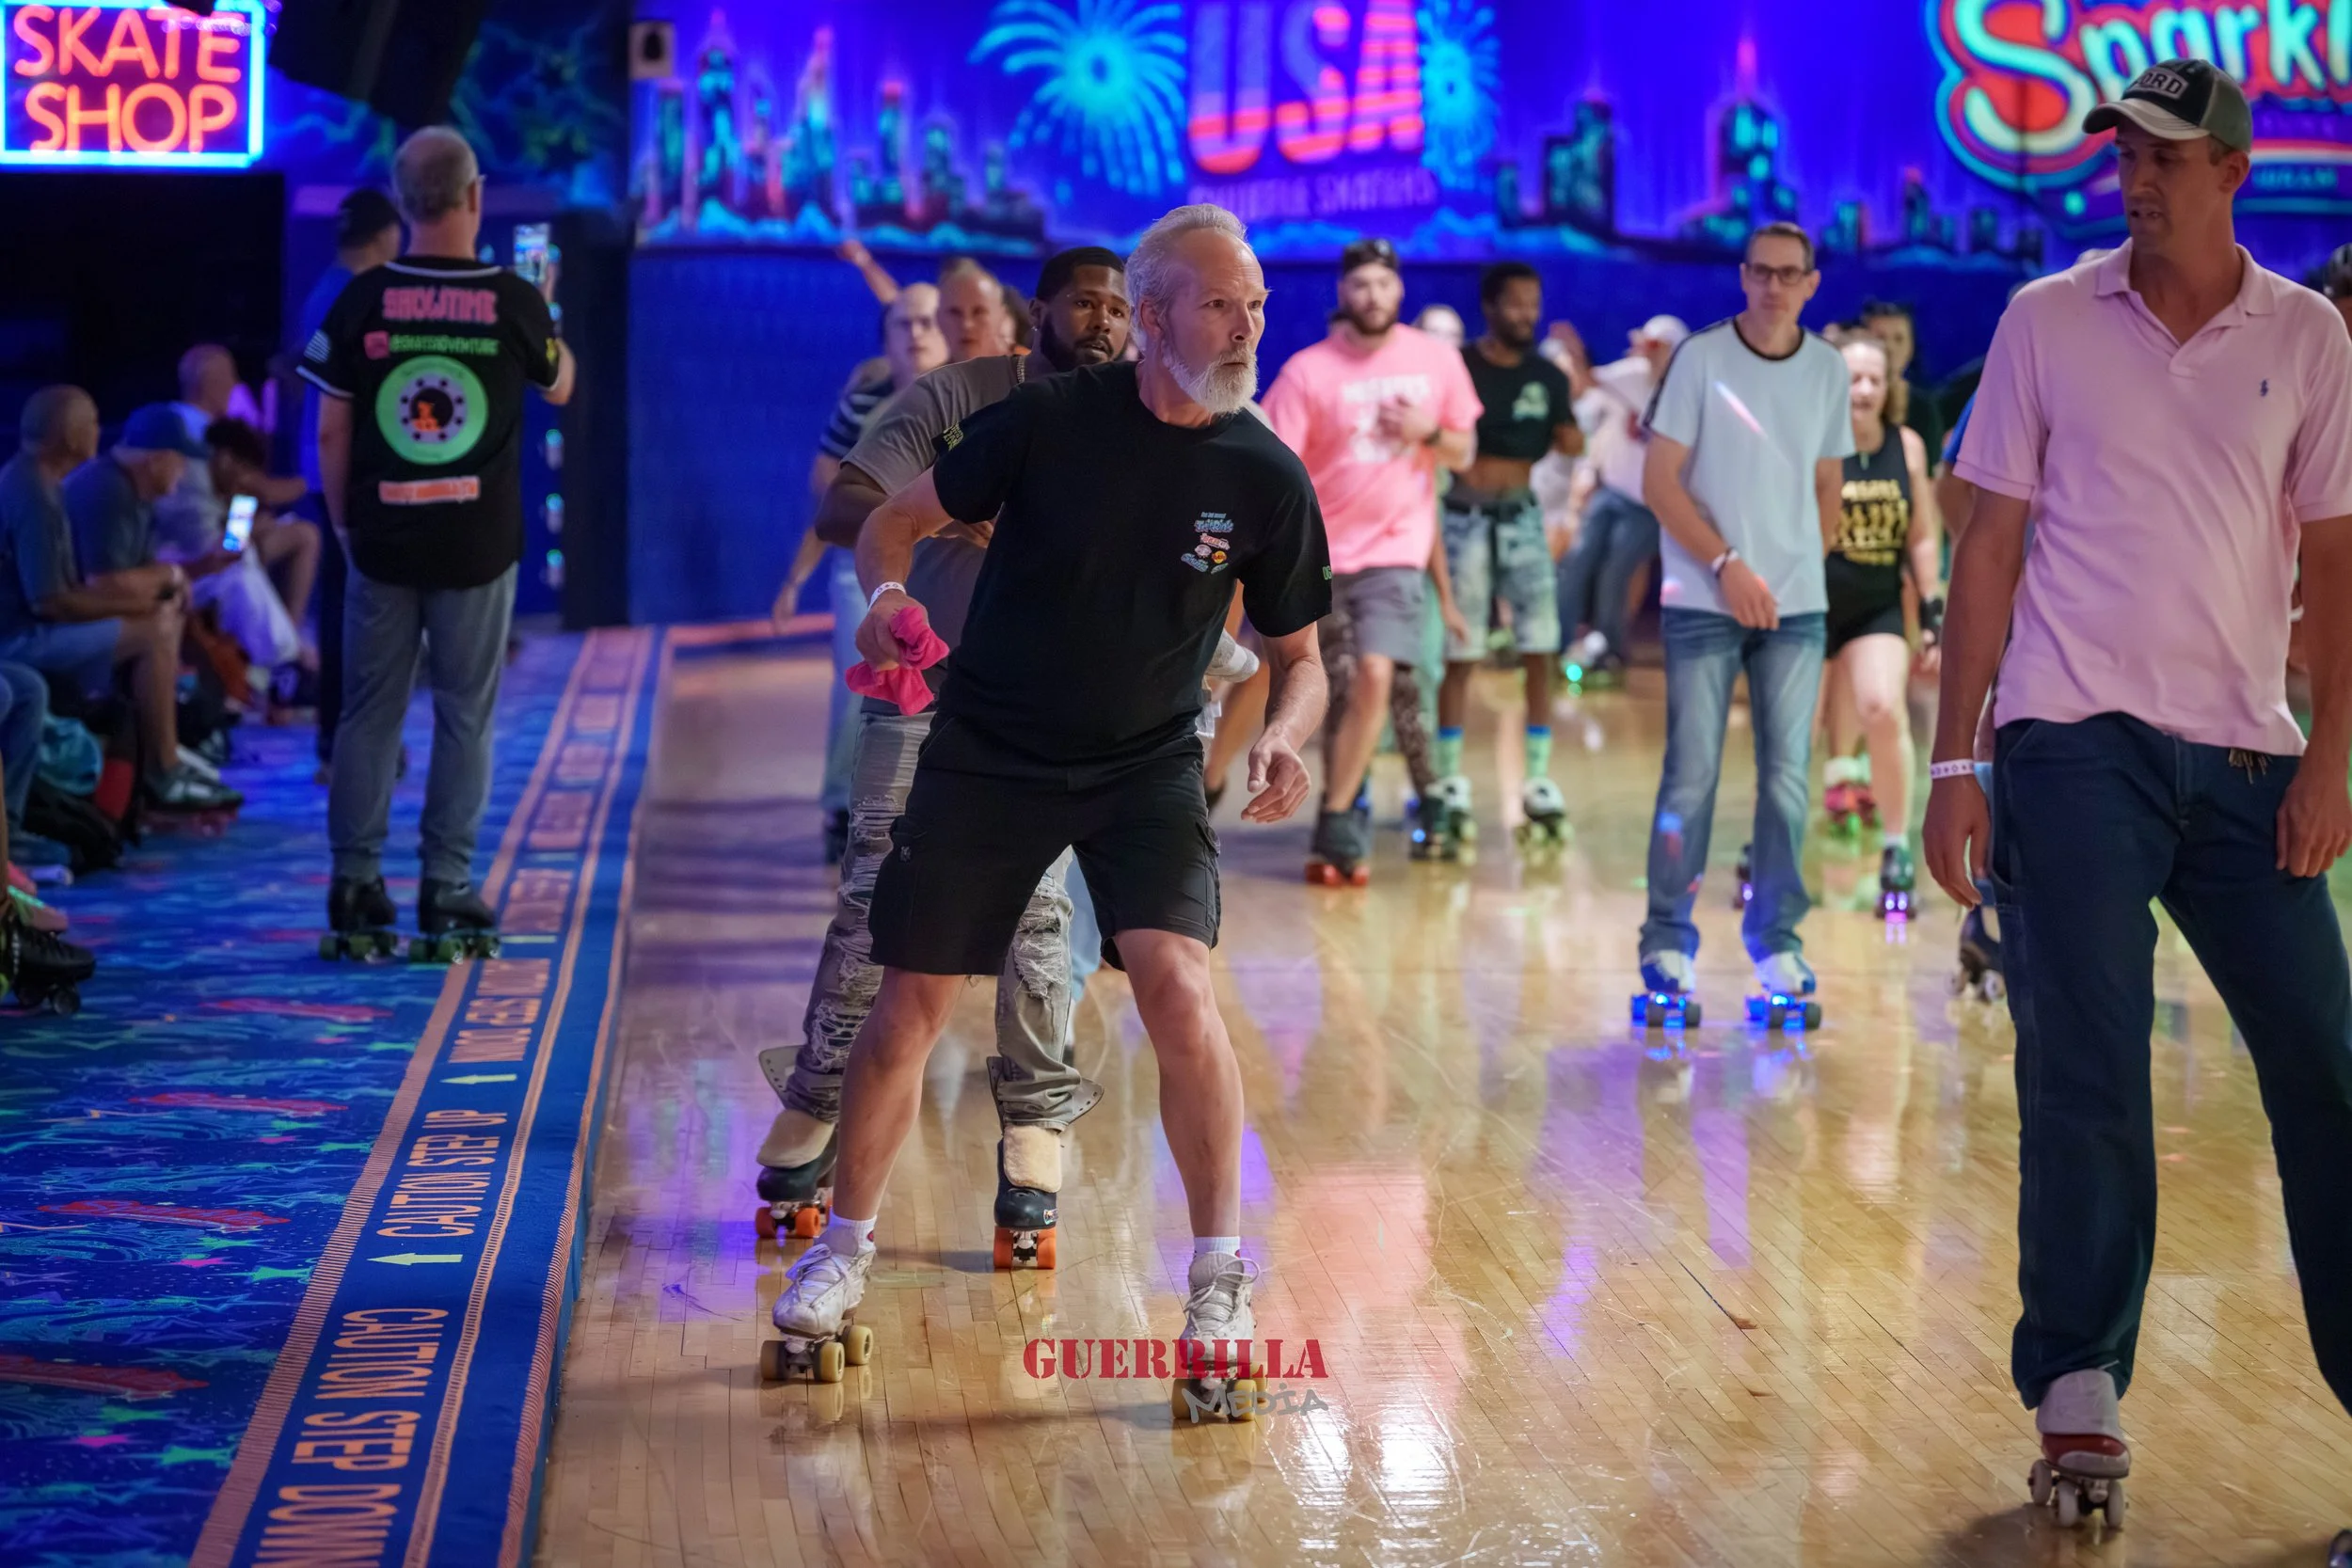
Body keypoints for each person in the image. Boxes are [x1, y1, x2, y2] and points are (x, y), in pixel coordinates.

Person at [764, 204, 1330, 1409]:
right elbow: (891, 522)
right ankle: (840, 1249)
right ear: (1155, 308)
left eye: (1259, 304)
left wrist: (1283, 733)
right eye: (1222, 303)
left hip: (1144, 765)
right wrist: (883, 604)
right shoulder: (1043, 420)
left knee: (1179, 985)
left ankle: (1218, 1276)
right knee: (909, 997)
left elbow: (1302, 654)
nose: (1246, 326)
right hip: (993, 745)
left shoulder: (1263, 471)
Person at [1922, 63, 2352, 1544]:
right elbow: (1987, 553)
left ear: (2235, 168)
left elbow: (2340, 569)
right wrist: (1953, 759)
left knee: (2332, 1069)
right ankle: (2081, 1381)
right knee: (2087, 1061)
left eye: (2169, 156)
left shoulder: (2307, 337)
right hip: (2072, 742)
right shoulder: (2047, 319)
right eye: (2127, 154)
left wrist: (2334, 755)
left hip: (2245, 756)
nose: (2139, 177)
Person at [756, 246, 1139, 1262]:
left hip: (1055, 705)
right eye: (1082, 303)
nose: (1100, 322)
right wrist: (945, 503)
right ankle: (815, 1098)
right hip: (926, 684)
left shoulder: (1143, 416)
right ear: (1039, 313)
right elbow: (845, 506)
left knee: (1042, 917)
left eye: (1117, 307)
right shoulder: (959, 394)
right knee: (871, 899)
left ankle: (1033, 1129)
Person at [302, 126, 576, 955]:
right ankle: (447, 886)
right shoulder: (511, 299)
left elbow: (330, 434)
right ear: (474, 197)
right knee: (465, 716)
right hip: (477, 545)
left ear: (401, 197)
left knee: (367, 714)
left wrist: (348, 528)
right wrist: (545, 298)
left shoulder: (362, 297)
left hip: (381, 539)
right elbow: (562, 385)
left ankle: (354, 884)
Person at [1634, 222, 1851, 1014]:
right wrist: (1728, 566)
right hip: (1703, 596)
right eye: (1761, 272)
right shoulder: (1701, 357)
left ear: (1811, 284)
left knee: (1789, 783)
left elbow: (1828, 484)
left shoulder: (1827, 369)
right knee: (1691, 775)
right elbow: (1661, 481)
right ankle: (1665, 936)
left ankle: (1778, 939)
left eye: (1789, 274)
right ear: (1742, 275)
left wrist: (1802, 571)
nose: (1773, 286)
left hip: (1796, 609)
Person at [1261, 237, 1477, 883]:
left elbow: (1464, 450)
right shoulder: (1308, 370)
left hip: (1396, 553)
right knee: (1338, 683)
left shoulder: (1434, 360)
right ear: (1342, 293)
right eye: (1360, 285)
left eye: (1383, 284)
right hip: (1322, 553)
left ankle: (1337, 818)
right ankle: (1326, 801)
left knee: (1380, 674)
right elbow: (1277, 465)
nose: (1372, 296)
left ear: (1399, 289)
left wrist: (1429, 432)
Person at [0, 391, 233, 810]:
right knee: (152, 630)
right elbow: (52, 602)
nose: (98, 430)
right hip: (18, 642)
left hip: (33, 628)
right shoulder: (35, 491)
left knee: (155, 619)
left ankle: (161, 759)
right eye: (91, 422)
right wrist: (138, 608)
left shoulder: (37, 481)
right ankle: (162, 771)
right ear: (71, 435)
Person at [781, 285, 948, 862]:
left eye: (929, 321)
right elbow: (828, 494)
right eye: (905, 323)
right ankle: (844, 806)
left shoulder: (971, 395)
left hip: (945, 563)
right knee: (861, 683)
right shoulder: (865, 398)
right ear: (887, 338)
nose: (918, 333)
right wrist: (796, 579)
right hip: (867, 562)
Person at [1433, 262, 1581, 855]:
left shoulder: (1547, 374)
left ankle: (1539, 777)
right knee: (1461, 649)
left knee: (1540, 647)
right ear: (1489, 306)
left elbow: (1569, 437)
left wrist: (1575, 440)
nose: (1526, 314)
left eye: (1533, 303)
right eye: (1515, 304)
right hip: (1463, 519)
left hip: (1523, 519)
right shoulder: (1459, 367)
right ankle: (1448, 775)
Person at [1820, 335, 1942, 912]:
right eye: (1852, 378)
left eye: (1874, 378)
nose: (1863, 389)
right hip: (1810, 604)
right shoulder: (1812, 442)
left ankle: (1896, 845)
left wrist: (1933, 603)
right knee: (1792, 731)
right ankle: (1769, 846)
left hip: (1876, 605)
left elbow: (1920, 533)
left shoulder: (1908, 446)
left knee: (1882, 708)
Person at [296, 190, 405, 773]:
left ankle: (342, 738)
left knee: (347, 604)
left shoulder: (323, 291)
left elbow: (311, 364)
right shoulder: (355, 294)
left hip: (326, 469)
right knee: (357, 608)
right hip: (349, 473)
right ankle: (350, 741)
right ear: (386, 235)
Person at [156, 346, 314, 682]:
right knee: (243, 565)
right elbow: (230, 537)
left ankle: (288, 660)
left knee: (260, 547)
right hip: (193, 555)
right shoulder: (207, 439)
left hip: (189, 549)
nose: (236, 386)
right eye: (230, 379)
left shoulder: (167, 421)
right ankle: (289, 661)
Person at [1559, 314, 1686, 681]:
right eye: (1650, 347)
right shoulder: (1631, 373)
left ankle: (1610, 648)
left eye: (1660, 349)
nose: (1652, 356)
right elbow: (1590, 380)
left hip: (1647, 504)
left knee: (1617, 572)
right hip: (1610, 488)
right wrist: (1576, 352)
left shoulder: (1686, 395)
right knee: (1578, 557)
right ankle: (1559, 642)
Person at [1854, 299, 1944, 476]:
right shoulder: (1844, 400)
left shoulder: (1922, 407)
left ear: (1911, 346)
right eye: (1880, 338)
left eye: (1899, 339)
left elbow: (1931, 475)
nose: (1889, 348)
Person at [937, 258, 1017, 363]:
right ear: (938, 318)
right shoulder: (929, 379)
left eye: (979, 312)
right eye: (955, 313)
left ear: (1002, 317)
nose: (966, 324)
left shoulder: (1031, 375)